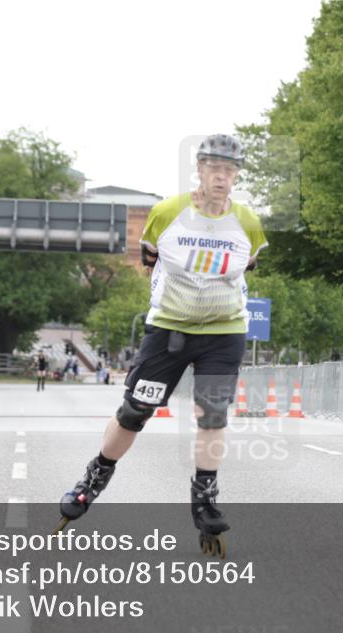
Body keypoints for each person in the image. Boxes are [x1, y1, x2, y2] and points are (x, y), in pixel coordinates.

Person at [57, 134, 266, 557]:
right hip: (169, 329)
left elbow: (250, 264)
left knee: (212, 417)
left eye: (230, 170)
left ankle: (205, 500)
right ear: (200, 170)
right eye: (214, 168)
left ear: (237, 174)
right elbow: (149, 259)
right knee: (136, 412)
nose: (222, 177)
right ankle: (95, 476)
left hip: (223, 333)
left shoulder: (248, 222)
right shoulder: (167, 213)